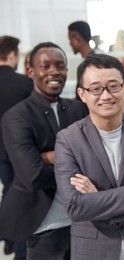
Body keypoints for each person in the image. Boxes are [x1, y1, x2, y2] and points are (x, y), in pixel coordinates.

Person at [54, 53, 124, 260]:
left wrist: (97, 199)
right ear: (82, 93)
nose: (106, 96)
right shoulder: (68, 140)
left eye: (113, 86)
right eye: (95, 89)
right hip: (93, 250)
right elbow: (75, 207)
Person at [0, 42, 88, 259]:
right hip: (44, 227)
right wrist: (73, 162)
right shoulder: (17, 117)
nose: (54, 72)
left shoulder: (78, 109)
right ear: (30, 71)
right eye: (45, 66)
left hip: (83, 222)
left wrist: (49, 157)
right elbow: (33, 176)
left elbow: (94, 159)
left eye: (60, 66)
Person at [0, 35, 33, 259]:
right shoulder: (25, 83)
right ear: (12, 55)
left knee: (8, 189)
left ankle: (8, 238)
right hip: (20, 149)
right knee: (20, 193)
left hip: (0, 152)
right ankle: (17, 240)